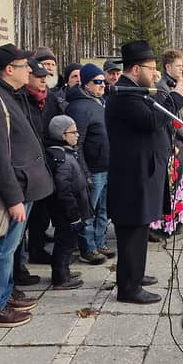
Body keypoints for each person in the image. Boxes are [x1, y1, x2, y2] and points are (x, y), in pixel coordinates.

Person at [0, 43, 54, 327]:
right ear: (9, 69)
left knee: (10, 247)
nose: (30, 69)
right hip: (10, 188)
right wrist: (14, 198)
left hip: (20, 184)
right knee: (2, 248)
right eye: (25, 65)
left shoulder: (6, 95)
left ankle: (4, 294)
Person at [106, 40, 183, 304]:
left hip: (143, 171)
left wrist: (164, 94)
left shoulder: (137, 90)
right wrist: (177, 98)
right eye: (151, 68)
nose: (155, 73)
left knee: (140, 227)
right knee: (131, 230)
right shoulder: (124, 96)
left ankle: (135, 275)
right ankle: (128, 288)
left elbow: (154, 113)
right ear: (134, 69)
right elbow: (152, 120)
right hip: (131, 176)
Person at [65, 63, 112, 265]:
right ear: (86, 84)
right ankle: (88, 248)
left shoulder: (100, 102)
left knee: (103, 210)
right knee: (88, 211)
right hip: (92, 169)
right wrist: (84, 172)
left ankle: (100, 242)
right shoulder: (79, 107)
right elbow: (77, 142)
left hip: (106, 166)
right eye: (97, 81)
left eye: (104, 81)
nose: (102, 85)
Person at [22, 59, 62, 265]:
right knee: (29, 215)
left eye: (44, 77)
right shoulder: (21, 100)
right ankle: (28, 255)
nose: (43, 81)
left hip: (47, 160)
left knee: (42, 211)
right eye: (38, 77)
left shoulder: (50, 99)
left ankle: (37, 248)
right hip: (28, 165)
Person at [155, 50, 183, 232]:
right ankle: (170, 220)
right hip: (174, 141)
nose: (182, 69)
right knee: (175, 181)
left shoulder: (177, 84)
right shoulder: (163, 87)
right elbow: (173, 118)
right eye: (178, 66)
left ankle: (180, 214)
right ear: (168, 67)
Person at [46, 115, 90, 290]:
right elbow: (64, 190)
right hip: (68, 212)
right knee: (65, 244)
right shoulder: (61, 157)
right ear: (62, 135)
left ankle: (63, 271)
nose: (77, 135)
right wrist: (73, 215)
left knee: (67, 243)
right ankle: (60, 277)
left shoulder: (68, 153)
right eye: (73, 132)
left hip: (72, 209)